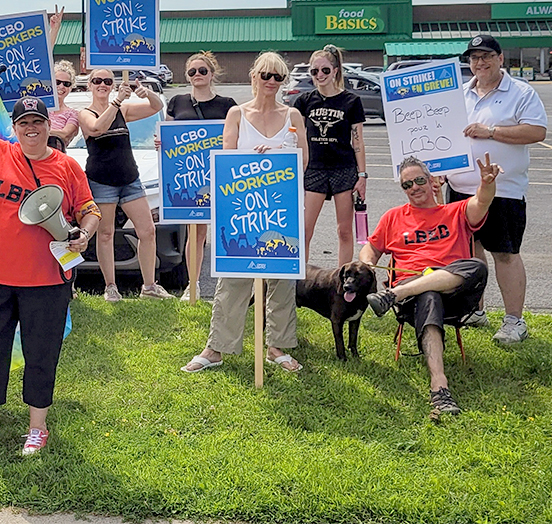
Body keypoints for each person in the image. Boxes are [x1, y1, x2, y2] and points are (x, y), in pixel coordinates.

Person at [0, 68, 100, 456]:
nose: (31, 129)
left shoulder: (67, 167)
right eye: (24, 123)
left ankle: (37, 426)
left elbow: (89, 209)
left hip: (47, 278)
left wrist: (85, 232)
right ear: (15, 127)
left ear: (49, 125)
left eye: (37, 122)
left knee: (41, 351)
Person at [182, 52, 309, 374]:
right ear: (253, 76)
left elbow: (303, 161)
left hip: (282, 208)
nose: (271, 82)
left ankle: (277, 346)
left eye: (278, 77)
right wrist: (254, 156)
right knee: (234, 277)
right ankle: (216, 348)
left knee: (281, 279)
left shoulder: (293, 115)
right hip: (243, 208)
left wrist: (282, 153)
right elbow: (227, 157)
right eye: (265, 75)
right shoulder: (237, 114)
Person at [361, 155, 499, 415]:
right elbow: (370, 249)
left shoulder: (454, 212)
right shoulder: (393, 217)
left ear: (432, 180)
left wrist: (487, 183)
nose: (414, 187)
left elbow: (482, 200)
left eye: (419, 180)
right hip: (417, 302)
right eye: (407, 184)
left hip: (453, 294)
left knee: (477, 266)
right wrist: (367, 263)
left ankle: (395, 292)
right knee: (429, 293)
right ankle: (439, 386)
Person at [446, 35, 548, 343]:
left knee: (505, 253)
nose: (480, 62)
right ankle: (475, 309)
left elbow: (536, 130)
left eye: (486, 56)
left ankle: (514, 320)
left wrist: (491, 131)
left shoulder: (520, 92)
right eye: (474, 58)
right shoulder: (458, 93)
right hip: (461, 190)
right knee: (470, 250)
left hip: (503, 190)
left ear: (500, 58)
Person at [78, 68, 172, 301]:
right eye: (97, 81)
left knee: (148, 231)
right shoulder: (85, 113)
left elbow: (155, 108)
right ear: (89, 85)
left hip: (130, 178)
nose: (102, 84)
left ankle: (149, 286)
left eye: (107, 81)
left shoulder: (123, 110)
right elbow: (97, 127)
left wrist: (145, 92)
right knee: (106, 233)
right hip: (102, 181)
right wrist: (118, 100)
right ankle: (111, 286)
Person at [164, 52, 238, 300]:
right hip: (190, 175)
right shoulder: (177, 101)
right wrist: (160, 142)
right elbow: (168, 135)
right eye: (192, 71)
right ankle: (192, 285)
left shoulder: (227, 104)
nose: (197, 75)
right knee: (196, 232)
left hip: (219, 174)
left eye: (202, 71)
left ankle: (228, 287)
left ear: (212, 74)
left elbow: (236, 138)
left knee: (226, 230)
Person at [294, 45, 367, 266]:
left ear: (335, 70)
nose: (319, 75)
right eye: (314, 71)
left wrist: (362, 175)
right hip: (314, 169)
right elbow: (293, 135)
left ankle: (341, 282)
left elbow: (358, 140)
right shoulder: (304, 101)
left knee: (344, 230)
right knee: (304, 231)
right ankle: (301, 284)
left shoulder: (351, 101)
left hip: (343, 170)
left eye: (325, 70)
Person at [48, 60, 80, 152]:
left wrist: (38, 131)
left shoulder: (73, 114)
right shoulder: (40, 107)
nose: (61, 86)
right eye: (57, 82)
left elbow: (65, 134)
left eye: (66, 84)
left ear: (71, 87)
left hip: (57, 160)